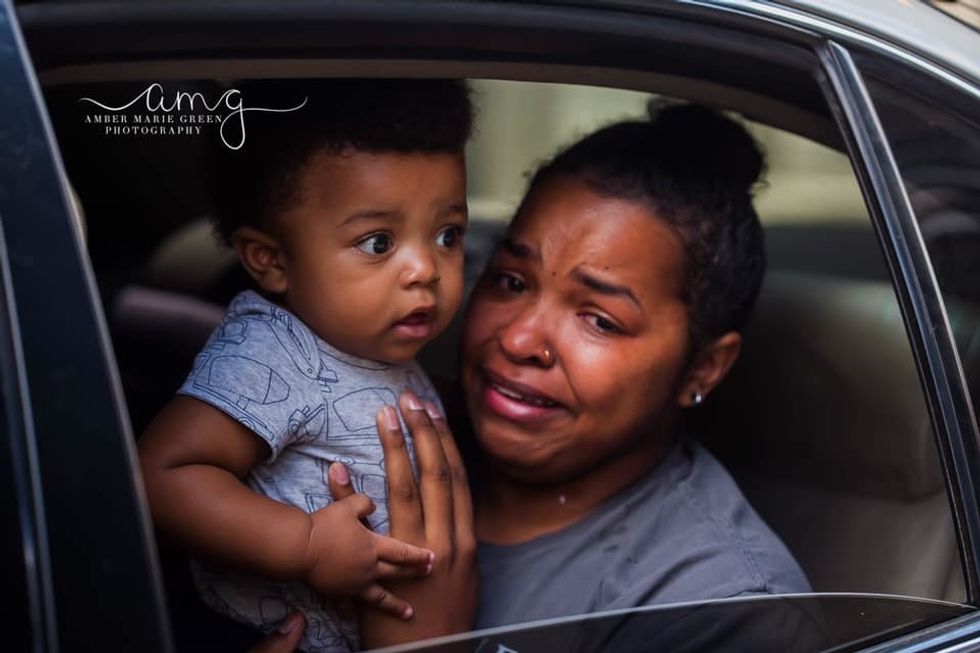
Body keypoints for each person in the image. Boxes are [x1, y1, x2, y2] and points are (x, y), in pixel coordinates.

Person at [333, 102, 812, 649]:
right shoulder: (376, 440)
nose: (517, 339)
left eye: (599, 320)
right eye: (512, 282)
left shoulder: (719, 608)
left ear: (702, 368)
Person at [137, 78, 474, 653]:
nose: (426, 269)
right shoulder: (270, 350)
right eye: (377, 243)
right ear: (271, 261)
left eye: (448, 234)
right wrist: (308, 544)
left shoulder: (381, 347)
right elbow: (161, 477)